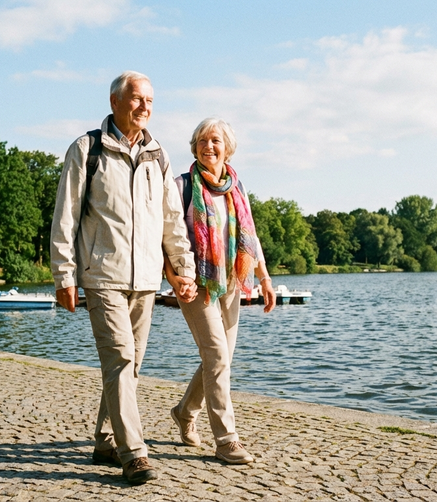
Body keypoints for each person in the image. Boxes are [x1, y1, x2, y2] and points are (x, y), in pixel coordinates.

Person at [50, 71, 197, 485]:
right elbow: (65, 216)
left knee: (130, 368)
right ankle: (134, 453)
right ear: (115, 101)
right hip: (102, 276)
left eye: (150, 99)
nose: (145, 106)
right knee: (121, 359)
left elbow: (172, 220)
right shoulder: (87, 149)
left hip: (147, 279)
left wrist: (182, 269)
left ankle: (105, 441)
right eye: (136, 99)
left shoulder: (158, 156)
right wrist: (65, 275)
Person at [164, 118, 276, 464]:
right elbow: (163, 237)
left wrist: (265, 278)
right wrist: (172, 276)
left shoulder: (236, 188)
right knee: (217, 357)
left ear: (227, 148)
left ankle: (184, 412)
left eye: (215, 141)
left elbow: (250, 237)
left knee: (219, 359)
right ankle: (226, 440)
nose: (207, 146)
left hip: (230, 285)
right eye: (201, 140)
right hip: (196, 285)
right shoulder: (182, 186)